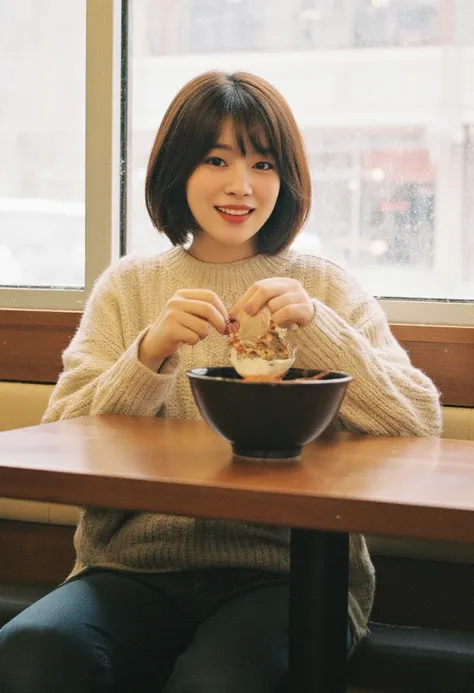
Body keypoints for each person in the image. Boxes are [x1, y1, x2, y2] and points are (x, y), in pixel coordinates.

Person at [0, 70, 442, 693]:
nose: (241, 186)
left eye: (263, 164)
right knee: (30, 652)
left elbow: (419, 424)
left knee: (221, 678)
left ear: (285, 180)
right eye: (216, 159)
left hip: (292, 575)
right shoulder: (130, 288)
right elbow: (63, 440)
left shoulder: (324, 288)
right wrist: (149, 353)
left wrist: (318, 330)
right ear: (179, 169)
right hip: (132, 569)